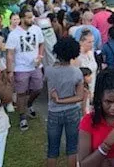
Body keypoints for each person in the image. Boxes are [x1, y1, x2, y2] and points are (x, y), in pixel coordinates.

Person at [45, 37, 84, 167]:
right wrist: (62, 101)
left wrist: (57, 100)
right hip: (72, 111)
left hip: (53, 112)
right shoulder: (77, 72)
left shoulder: (49, 70)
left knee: (52, 149)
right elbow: (79, 97)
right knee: (72, 147)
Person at [6, 8, 45, 131]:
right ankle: (22, 116)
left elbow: (41, 44)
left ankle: (29, 104)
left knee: (38, 88)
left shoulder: (37, 29)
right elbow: (10, 53)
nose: (31, 19)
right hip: (20, 68)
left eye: (32, 17)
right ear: (22, 18)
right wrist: (10, 70)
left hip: (35, 66)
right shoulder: (14, 34)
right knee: (21, 93)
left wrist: (40, 56)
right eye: (28, 17)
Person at [74, 29, 98, 101]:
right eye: (89, 42)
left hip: (93, 87)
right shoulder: (77, 57)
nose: (92, 44)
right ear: (81, 42)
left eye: (93, 41)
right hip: (83, 90)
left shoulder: (91, 53)